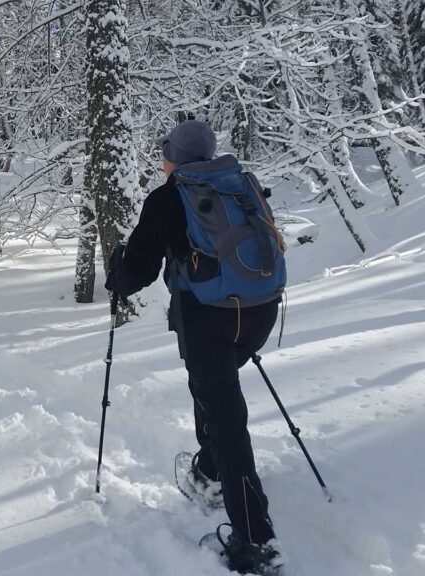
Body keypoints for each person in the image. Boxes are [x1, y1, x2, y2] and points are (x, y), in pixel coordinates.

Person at [106, 120, 285, 576]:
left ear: (177, 157)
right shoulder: (239, 182)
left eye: (165, 151)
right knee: (215, 395)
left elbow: (139, 271)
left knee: (226, 416)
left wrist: (117, 273)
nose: (162, 158)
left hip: (206, 318)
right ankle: (207, 473)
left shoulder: (169, 197)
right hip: (260, 310)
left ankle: (255, 540)